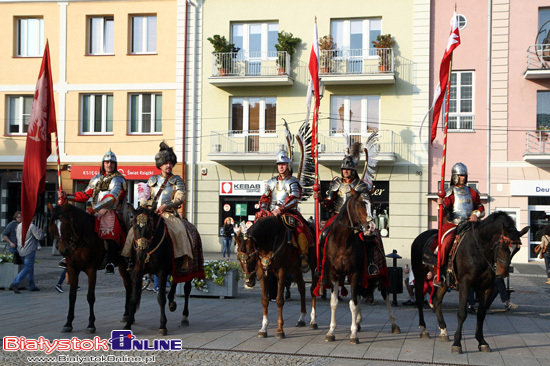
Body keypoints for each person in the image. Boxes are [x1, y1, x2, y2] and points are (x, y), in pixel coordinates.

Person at [122, 142, 193, 273]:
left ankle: (183, 258)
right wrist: (144, 205)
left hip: (168, 214)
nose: (169, 166)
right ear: (160, 165)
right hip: (151, 213)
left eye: (171, 163)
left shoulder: (177, 180)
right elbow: (145, 196)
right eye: (166, 163)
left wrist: (166, 206)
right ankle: (129, 257)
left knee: (180, 230)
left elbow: (180, 197)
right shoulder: (152, 179)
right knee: (134, 230)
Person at [314, 142, 379, 275]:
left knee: (369, 237)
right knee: (323, 235)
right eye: (344, 169)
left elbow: (366, 203)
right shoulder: (336, 183)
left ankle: (370, 264)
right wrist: (320, 198)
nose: (345, 171)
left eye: (348, 169)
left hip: (356, 219)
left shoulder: (361, 185)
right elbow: (329, 203)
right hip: (338, 216)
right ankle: (321, 264)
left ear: (353, 170)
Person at [58, 150, 127, 274]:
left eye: (112, 162)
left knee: (111, 233)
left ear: (115, 164)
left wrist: (93, 209)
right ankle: (69, 257)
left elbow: (111, 198)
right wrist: (67, 196)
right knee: (76, 230)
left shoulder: (118, 179)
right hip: (93, 212)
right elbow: (84, 195)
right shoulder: (96, 179)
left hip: (109, 212)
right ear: (103, 163)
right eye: (107, 162)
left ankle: (111, 261)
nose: (109, 165)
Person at [433, 162, 485, 287]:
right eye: (460, 175)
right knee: (445, 243)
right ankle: (440, 270)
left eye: (464, 175)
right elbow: (445, 209)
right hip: (454, 224)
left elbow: (480, 206)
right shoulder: (450, 192)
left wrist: (476, 214)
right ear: (455, 176)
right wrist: (441, 204)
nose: (463, 178)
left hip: (470, 224)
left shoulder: (472, 191)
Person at [10, 221, 42, 293]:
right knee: (27, 268)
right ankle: (15, 282)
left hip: (20, 249)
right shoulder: (31, 226)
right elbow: (39, 237)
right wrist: (40, 231)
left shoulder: (19, 225)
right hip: (29, 249)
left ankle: (31, 286)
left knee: (29, 268)